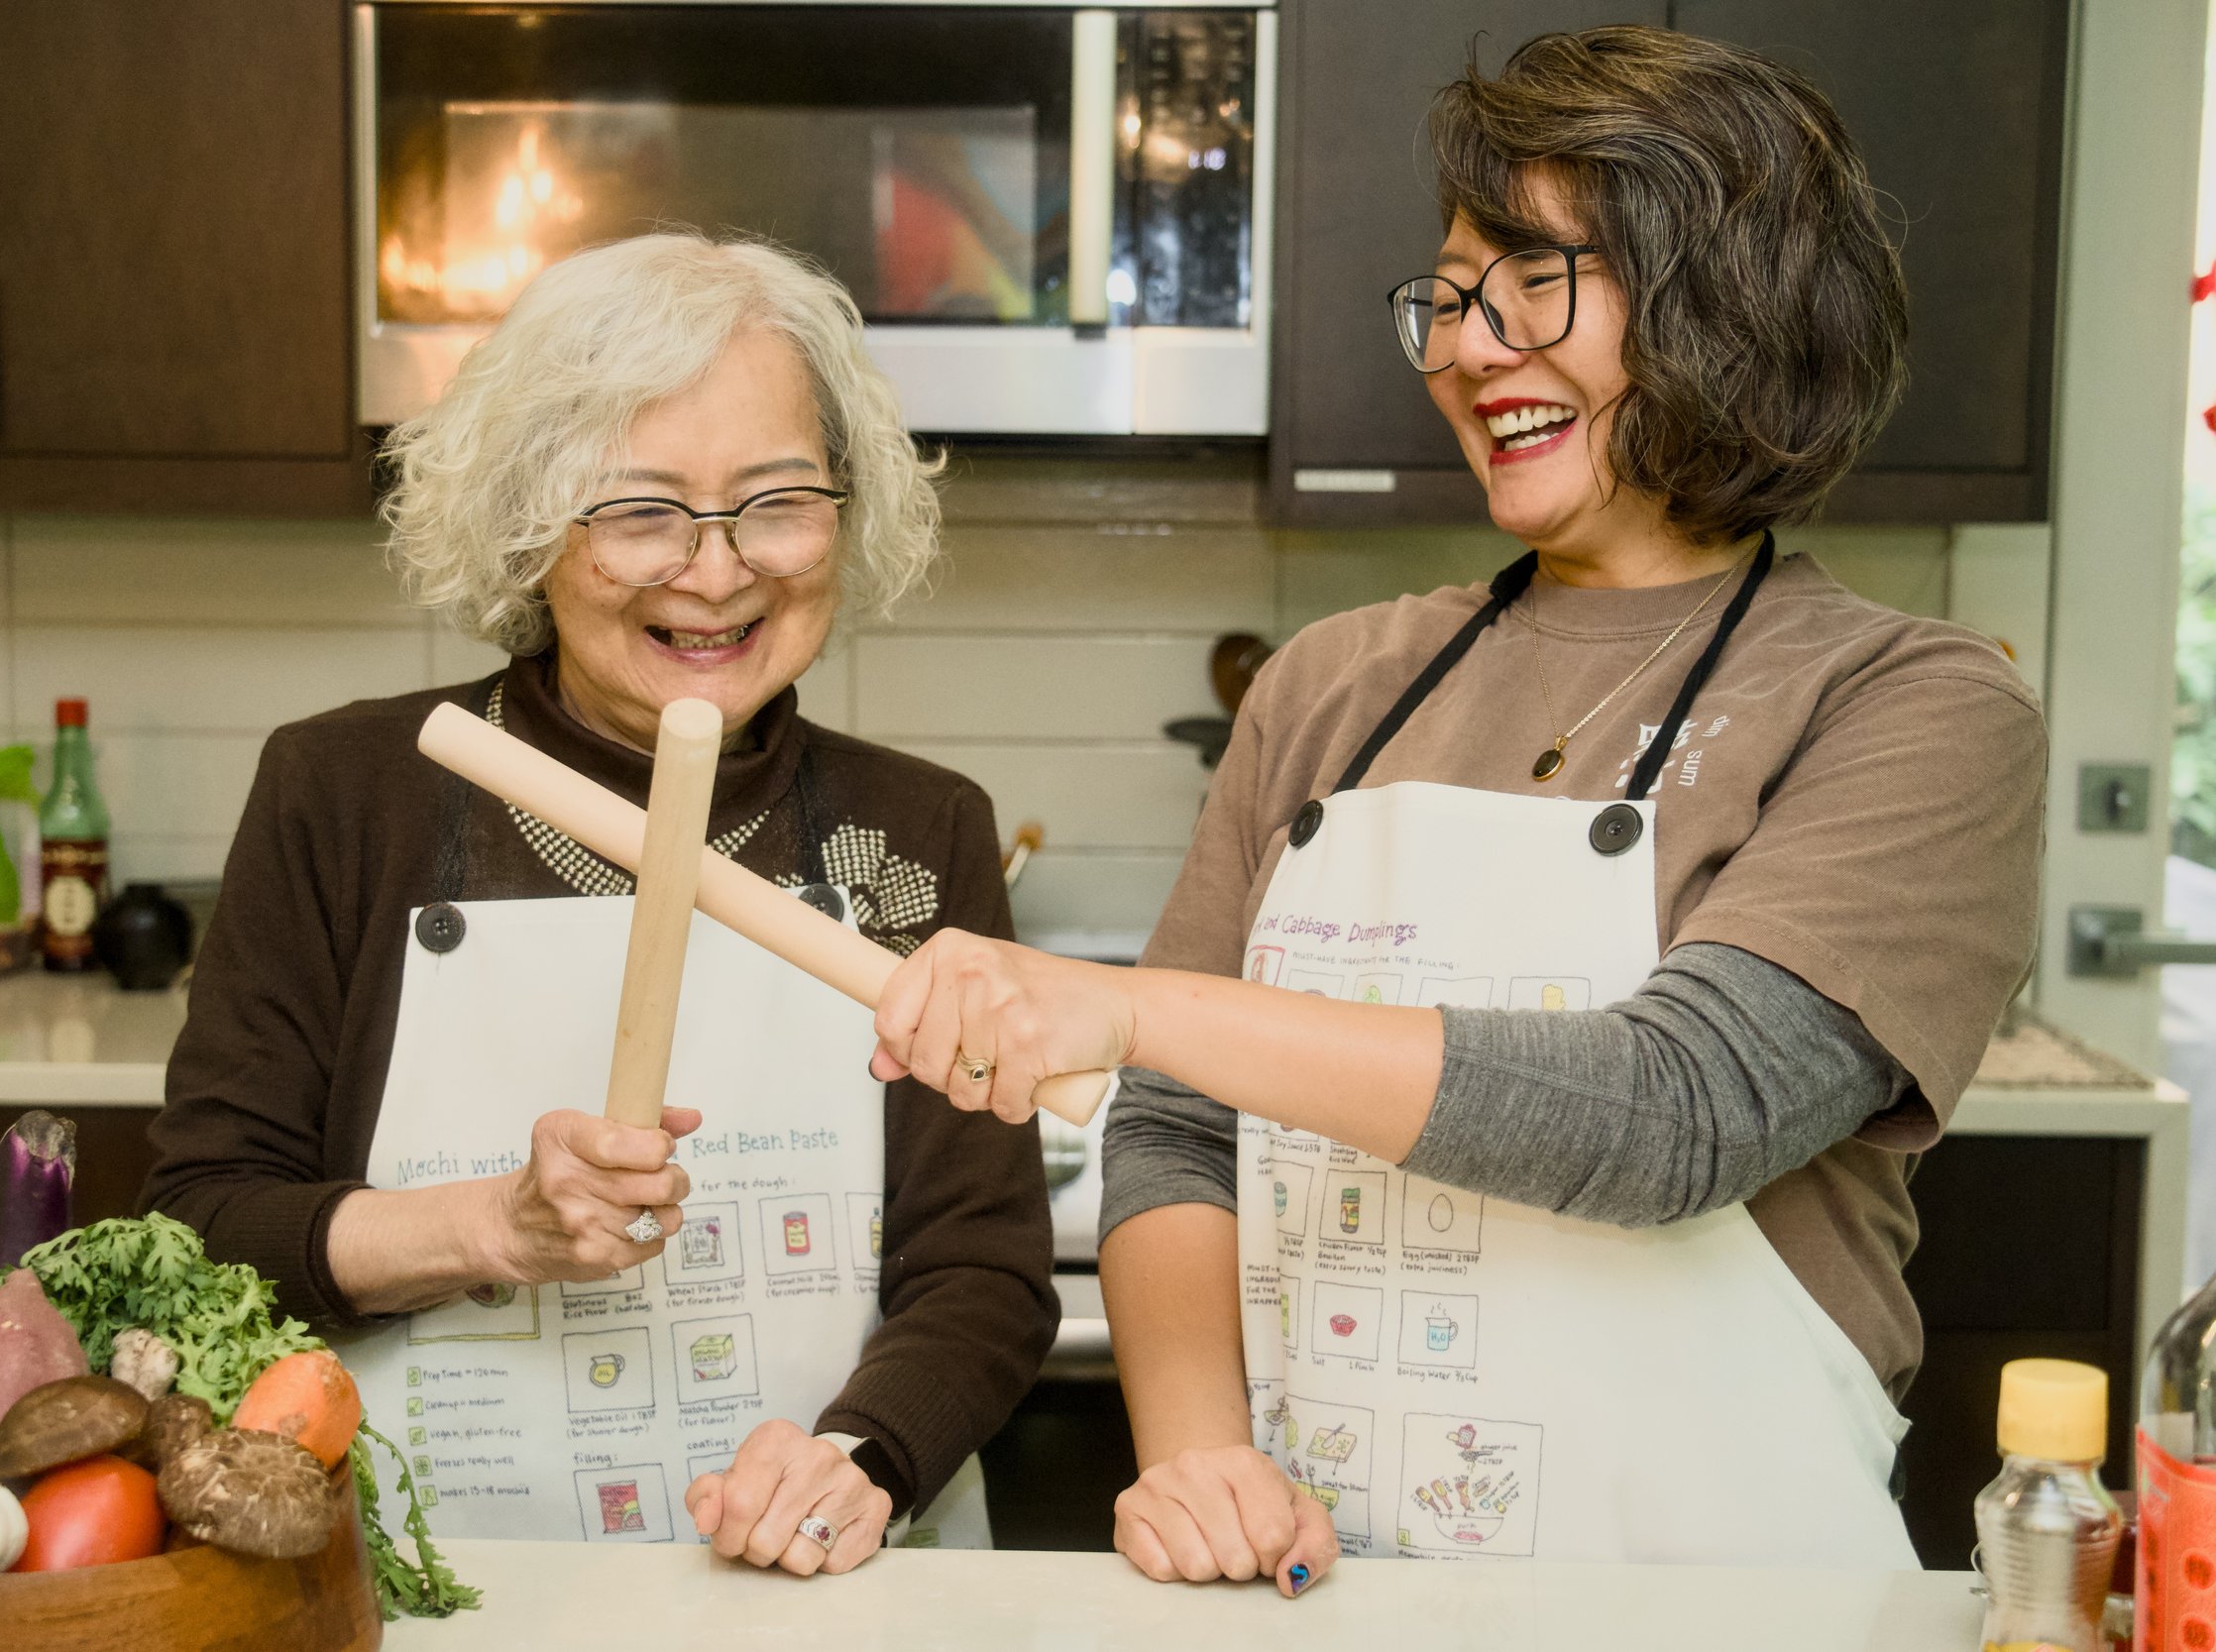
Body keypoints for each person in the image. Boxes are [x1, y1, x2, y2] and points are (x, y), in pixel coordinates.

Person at [869, 27, 2044, 1588]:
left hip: (1725, 1597)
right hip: (1321, 1593)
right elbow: (1177, 1126)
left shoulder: (1911, 703)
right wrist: (1203, 1456)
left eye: (1533, 283)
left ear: (1728, 297)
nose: (1468, 351)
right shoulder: (1332, 685)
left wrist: (1134, 1008)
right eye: (1450, 298)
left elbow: (1674, 1115)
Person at [143, 233, 1055, 1575]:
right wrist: (491, 1225)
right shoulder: (346, 795)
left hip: (822, 1584)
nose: (717, 572)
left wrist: (862, 1460)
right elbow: (208, 1227)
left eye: (776, 501)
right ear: (528, 530)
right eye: (640, 513)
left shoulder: (919, 835)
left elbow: (981, 1269)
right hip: (425, 1582)